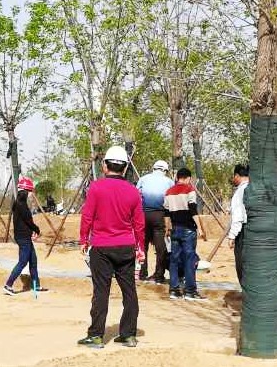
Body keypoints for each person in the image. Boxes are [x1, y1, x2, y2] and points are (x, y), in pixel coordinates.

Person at [77, 145, 146, 349]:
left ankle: (96, 336)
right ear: (125, 168)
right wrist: (140, 247)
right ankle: (129, 335)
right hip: (126, 247)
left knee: (101, 292)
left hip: (101, 248)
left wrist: (84, 239)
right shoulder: (133, 191)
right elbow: (139, 224)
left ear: (105, 166)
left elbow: (87, 216)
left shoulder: (96, 188)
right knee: (129, 291)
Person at [163, 167, 205, 301]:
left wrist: (167, 228)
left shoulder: (169, 192)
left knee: (174, 260)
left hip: (175, 229)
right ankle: (190, 291)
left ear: (177, 178)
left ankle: (174, 290)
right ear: (188, 178)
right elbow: (193, 210)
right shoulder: (189, 190)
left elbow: (166, 213)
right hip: (188, 229)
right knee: (189, 259)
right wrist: (200, 228)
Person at [4, 176, 48, 295]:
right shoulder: (21, 205)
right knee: (23, 262)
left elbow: (25, 222)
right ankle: (8, 285)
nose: (30, 194)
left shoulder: (19, 203)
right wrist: (37, 230)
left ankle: (36, 285)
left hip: (24, 236)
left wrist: (32, 232)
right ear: (25, 191)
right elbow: (29, 221)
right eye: (29, 191)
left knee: (33, 260)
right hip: (23, 238)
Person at [136, 159, 173, 284]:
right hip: (160, 215)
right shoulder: (169, 182)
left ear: (153, 168)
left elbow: (137, 196)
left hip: (143, 215)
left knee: (143, 245)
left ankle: (142, 273)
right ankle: (159, 275)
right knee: (160, 246)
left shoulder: (143, 179)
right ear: (165, 170)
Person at [225, 164, 250, 286]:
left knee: (241, 263)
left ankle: (246, 290)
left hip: (244, 232)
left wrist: (232, 236)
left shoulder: (240, 191)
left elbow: (238, 216)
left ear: (236, 176)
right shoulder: (256, 189)